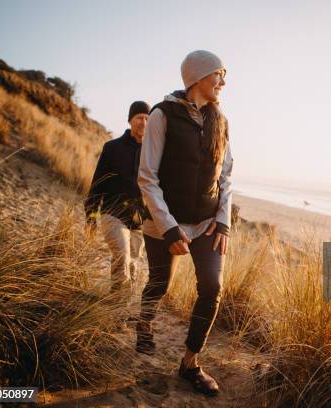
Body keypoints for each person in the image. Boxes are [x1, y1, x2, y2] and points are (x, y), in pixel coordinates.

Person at [136, 50, 233, 396]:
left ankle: (190, 363)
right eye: (218, 74)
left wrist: (223, 221)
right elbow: (147, 178)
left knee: (212, 287)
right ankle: (144, 323)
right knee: (160, 283)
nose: (223, 82)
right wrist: (170, 228)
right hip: (166, 222)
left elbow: (227, 176)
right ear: (197, 77)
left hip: (207, 223)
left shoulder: (221, 121)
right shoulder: (163, 115)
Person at [84, 101, 150, 303]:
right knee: (122, 257)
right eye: (139, 118)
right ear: (130, 119)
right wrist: (91, 217)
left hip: (139, 221)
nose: (144, 123)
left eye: (148, 119)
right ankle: (117, 308)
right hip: (112, 214)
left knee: (133, 265)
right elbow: (98, 183)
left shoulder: (152, 153)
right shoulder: (112, 148)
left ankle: (123, 307)